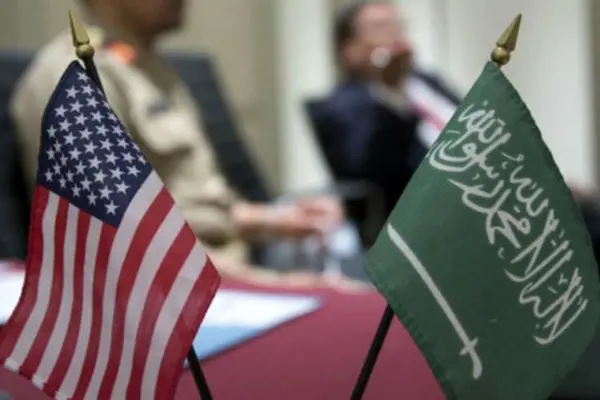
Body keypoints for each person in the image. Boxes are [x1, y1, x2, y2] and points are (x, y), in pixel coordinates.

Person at [10, 0, 364, 290]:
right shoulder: (75, 80)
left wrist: (281, 220)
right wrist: (276, 285)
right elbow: (126, 246)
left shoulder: (151, 67)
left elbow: (200, 206)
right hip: (178, 298)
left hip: (229, 270)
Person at [311, 0, 460, 217]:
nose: (394, 35)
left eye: (397, 26)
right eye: (380, 27)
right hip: (429, 209)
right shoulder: (339, 106)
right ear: (349, 48)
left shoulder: (428, 80)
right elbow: (371, 174)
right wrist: (393, 93)